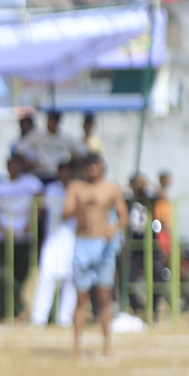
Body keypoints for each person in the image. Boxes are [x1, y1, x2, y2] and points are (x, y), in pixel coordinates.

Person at [64, 153, 128, 358]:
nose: (92, 169)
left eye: (95, 165)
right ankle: (76, 346)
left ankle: (107, 346)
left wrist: (114, 227)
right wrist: (82, 206)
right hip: (82, 243)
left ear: (101, 167)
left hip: (103, 246)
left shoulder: (111, 189)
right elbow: (65, 213)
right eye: (89, 165)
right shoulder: (76, 187)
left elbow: (124, 216)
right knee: (81, 298)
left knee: (104, 297)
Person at [0, 154, 43, 321]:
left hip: (24, 239)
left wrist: (30, 225)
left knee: (22, 275)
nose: (14, 168)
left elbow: (40, 202)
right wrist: (2, 230)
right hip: (1, 239)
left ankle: (17, 312)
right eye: (11, 165)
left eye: (18, 164)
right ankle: (21, 310)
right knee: (2, 274)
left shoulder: (31, 182)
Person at [30, 162, 78, 328]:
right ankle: (39, 318)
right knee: (46, 277)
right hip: (53, 242)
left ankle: (65, 318)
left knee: (70, 280)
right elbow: (64, 213)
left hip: (73, 241)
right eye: (63, 172)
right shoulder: (52, 190)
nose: (66, 176)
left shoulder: (78, 189)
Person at [18, 110, 83, 182]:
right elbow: (20, 149)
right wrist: (30, 161)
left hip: (60, 176)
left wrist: (72, 163)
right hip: (42, 173)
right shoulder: (38, 135)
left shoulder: (66, 137)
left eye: (52, 121)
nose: (50, 123)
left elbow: (83, 152)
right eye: (49, 120)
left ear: (58, 122)